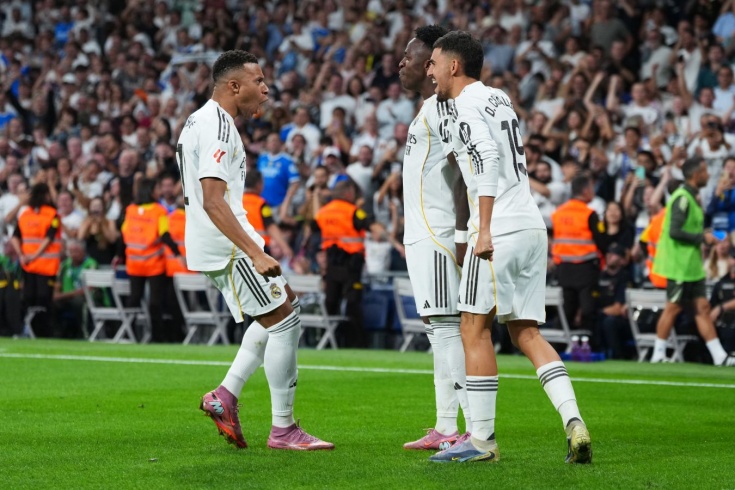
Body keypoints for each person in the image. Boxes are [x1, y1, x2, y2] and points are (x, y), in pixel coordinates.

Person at [426, 31, 591, 464]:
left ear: (454, 66)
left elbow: (487, 159)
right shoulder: (499, 97)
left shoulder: (463, 104)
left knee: (472, 328)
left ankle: (481, 441)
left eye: (434, 63)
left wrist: (481, 230)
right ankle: (574, 421)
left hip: (498, 230)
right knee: (526, 332)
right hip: (531, 225)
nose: (430, 71)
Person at [177, 50, 332, 450]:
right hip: (228, 245)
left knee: (285, 306)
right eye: (258, 82)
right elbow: (213, 201)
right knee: (284, 322)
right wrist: (255, 252)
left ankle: (225, 396)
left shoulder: (199, 119)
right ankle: (283, 429)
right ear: (234, 86)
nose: (265, 90)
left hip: (224, 239)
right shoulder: (219, 127)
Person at [397, 24, 473, 450]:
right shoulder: (428, 108)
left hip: (440, 234)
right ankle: (446, 426)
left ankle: (472, 430)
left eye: (408, 57)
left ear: (430, 65)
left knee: (446, 329)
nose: (401, 63)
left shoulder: (442, 107)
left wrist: (461, 235)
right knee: (437, 330)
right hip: (423, 235)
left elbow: (461, 169)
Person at [651, 156, 735, 366]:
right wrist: (702, 238)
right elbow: (675, 231)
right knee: (673, 307)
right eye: (705, 171)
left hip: (692, 265)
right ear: (696, 174)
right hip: (680, 265)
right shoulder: (682, 198)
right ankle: (657, 353)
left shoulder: (691, 197)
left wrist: (705, 234)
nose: (708, 175)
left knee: (703, 308)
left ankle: (719, 356)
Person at [313, 179, 377, 348]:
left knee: (331, 301)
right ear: (348, 192)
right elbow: (371, 227)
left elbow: (313, 230)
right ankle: (355, 343)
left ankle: (329, 342)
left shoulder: (323, 212)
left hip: (332, 264)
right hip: (351, 265)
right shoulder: (353, 211)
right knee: (353, 303)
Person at [120, 178, 182, 343]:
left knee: (135, 300)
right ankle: (154, 336)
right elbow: (165, 234)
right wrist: (178, 254)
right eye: (157, 188)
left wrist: (119, 256)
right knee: (153, 302)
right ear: (151, 191)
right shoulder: (158, 211)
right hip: (151, 263)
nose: (159, 192)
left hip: (137, 263)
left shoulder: (132, 210)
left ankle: (130, 335)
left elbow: (124, 233)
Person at [551, 175, 606, 335]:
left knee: (567, 309)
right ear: (586, 190)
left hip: (564, 269)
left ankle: (561, 344)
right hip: (586, 269)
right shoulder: (589, 214)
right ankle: (587, 343)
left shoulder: (558, 213)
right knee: (588, 309)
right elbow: (601, 242)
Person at [10, 183, 62, 338]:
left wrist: (22, 255)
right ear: (46, 195)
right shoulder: (52, 214)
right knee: (43, 300)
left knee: (29, 298)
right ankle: (42, 332)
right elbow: (49, 238)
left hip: (29, 264)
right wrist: (33, 255)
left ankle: (30, 330)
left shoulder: (25, 214)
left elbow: (15, 237)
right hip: (45, 266)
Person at [241, 170, 293, 259]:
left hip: (240, 245)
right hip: (260, 247)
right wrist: (285, 247)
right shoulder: (261, 204)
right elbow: (271, 226)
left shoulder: (238, 201)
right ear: (259, 184)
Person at [53, 239, 97, 339]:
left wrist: (66, 295)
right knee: (52, 302)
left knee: (78, 302)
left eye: (76, 251)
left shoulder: (91, 264)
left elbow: (89, 289)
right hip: (67, 297)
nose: (74, 254)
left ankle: (83, 333)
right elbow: (58, 285)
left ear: (83, 251)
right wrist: (56, 294)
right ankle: (56, 333)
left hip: (86, 298)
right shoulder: (65, 265)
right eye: (71, 252)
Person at [596, 243, 633, 360]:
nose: (609, 256)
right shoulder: (601, 275)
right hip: (602, 313)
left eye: (614, 254)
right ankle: (595, 353)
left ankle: (618, 356)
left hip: (623, 320)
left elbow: (618, 309)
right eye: (608, 253)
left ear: (622, 260)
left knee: (609, 321)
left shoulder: (625, 277)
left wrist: (599, 312)